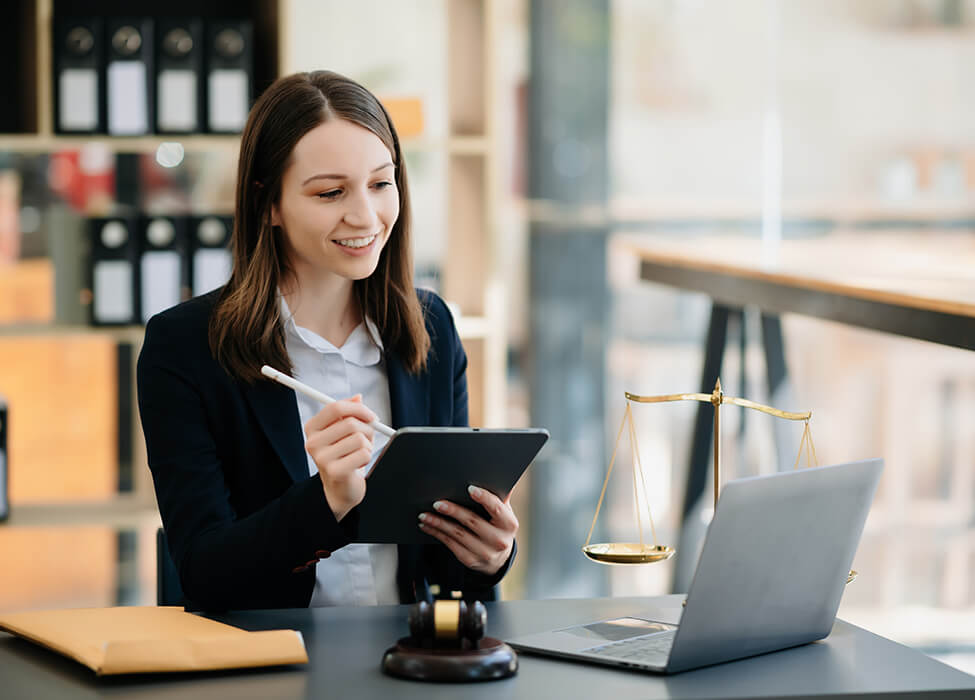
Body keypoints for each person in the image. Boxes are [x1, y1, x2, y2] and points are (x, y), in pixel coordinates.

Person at [137, 70, 518, 611]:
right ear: (267, 203)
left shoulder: (431, 327)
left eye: (381, 184)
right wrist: (326, 501)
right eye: (331, 192)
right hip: (269, 672)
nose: (365, 215)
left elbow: (442, 569)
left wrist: (486, 556)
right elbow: (205, 575)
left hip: (405, 666)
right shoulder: (185, 348)